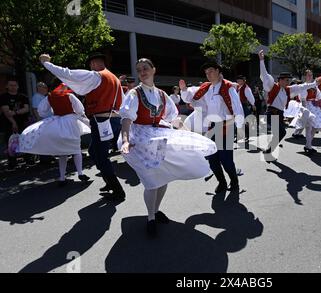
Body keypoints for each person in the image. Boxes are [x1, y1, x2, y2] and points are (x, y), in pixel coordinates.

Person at [119, 58, 217, 236]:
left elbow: (175, 118)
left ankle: (156, 211)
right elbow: (126, 118)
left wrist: (189, 135)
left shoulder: (162, 95)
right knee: (150, 180)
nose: (142, 72)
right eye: (139, 69)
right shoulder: (134, 93)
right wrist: (125, 140)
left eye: (146, 68)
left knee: (162, 176)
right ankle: (150, 218)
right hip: (140, 138)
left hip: (158, 137)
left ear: (153, 70)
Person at [39, 52, 126, 201]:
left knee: (100, 154)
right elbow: (122, 103)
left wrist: (47, 64)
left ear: (93, 64)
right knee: (94, 151)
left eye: (91, 64)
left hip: (101, 120)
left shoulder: (96, 76)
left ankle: (117, 190)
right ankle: (109, 182)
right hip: (110, 120)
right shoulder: (114, 79)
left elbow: (69, 74)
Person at [179, 61, 245, 193]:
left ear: (218, 71)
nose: (208, 74)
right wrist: (184, 90)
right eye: (206, 72)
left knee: (226, 160)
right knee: (212, 159)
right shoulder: (206, 87)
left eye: (210, 71)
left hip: (227, 126)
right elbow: (191, 97)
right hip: (211, 127)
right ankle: (222, 182)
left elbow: (237, 107)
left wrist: (239, 124)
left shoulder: (228, 87)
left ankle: (234, 181)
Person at [19, 82, 91, 186]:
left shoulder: (49, 97)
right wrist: (78, 116)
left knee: (62, 152)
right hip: (71, 122)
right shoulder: (69, 95)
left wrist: (53, 115)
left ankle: (62, 177)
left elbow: (42, 111)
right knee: (76, 149)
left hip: (58, 122)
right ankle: (80, 173)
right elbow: (80, 110)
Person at [258, 50, 317, 155]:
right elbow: (264, 75)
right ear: (280, 80)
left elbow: (301, 87)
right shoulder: (273, 86)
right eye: (286, 80)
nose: (288, 82)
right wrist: (262, 60)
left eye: (288, 80)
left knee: (279, 133)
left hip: (279, 114)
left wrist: (313, 84)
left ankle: (270, 149)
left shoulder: (287, 90)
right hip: (271, 113)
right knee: (282, 132)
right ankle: (270, 150)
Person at [293, 69, 321, 154]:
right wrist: (305, 111)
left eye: (311, 75)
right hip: (307, 106)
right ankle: (309, 146)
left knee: (314, 128)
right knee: (309, 127)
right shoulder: (303, 86)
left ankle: (308, 145)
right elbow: (303, 100)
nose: (310, 76)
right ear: (304, 76)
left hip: (315, 107)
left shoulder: (315, 86)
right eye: (308, 75)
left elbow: (318, 98)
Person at [0, 77, 33, 170]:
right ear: (7, 86)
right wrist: (13, 123)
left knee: (25, 140)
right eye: (11, 85)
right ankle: (12, 163)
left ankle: (28, 159)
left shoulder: (23, 97)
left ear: (18, 86)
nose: (13, 87)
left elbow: (26, 109)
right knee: (10, 143)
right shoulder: (3, 97)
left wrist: (15, 112)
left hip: (23, 123)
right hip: (8, 123)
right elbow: (6, 112)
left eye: (15, 85)